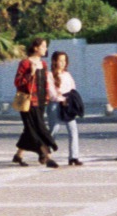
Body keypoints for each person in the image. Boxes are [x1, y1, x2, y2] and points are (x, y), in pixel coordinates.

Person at [11, 38, 59, 168]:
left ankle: (18, 155)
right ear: (36, 47)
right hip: (28, 102)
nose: (45, 49)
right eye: (43, 46)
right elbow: (18, 82)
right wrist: (31, 73)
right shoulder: (25, 63)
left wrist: (48, 97)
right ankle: (47, 156)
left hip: (41, 100)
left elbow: (44, 83)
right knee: (37, 128)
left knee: (30, 128)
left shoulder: (43, 64)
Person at [46, 50, 85, 167]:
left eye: (64, 60)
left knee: (73, 130)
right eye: (60, 60)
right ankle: (46, 154)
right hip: (55, 104)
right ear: (54, 61)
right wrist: (61, 99)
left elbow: (72, 87)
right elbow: (51, 92)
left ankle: (74, 157)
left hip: (67, 104)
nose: (62, 63)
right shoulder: (49, 75)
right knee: (54, 129)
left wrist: (68, 99)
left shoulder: (67, 74)